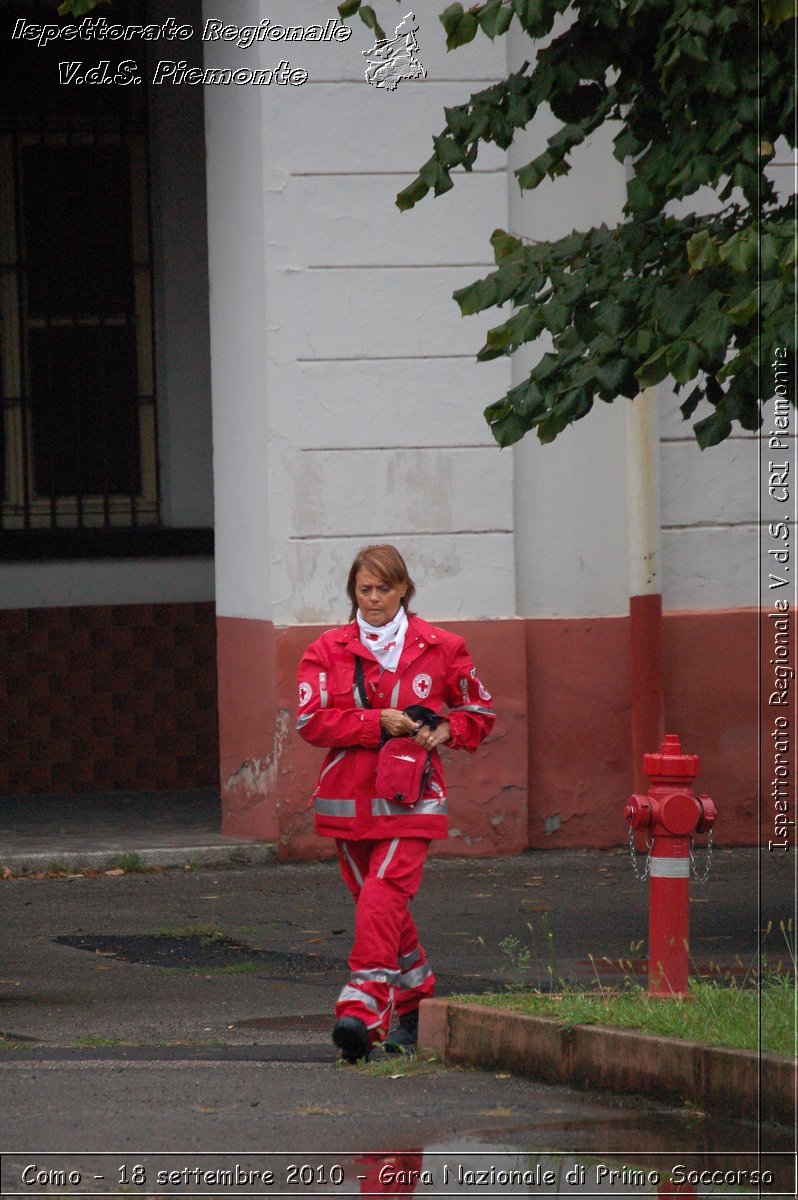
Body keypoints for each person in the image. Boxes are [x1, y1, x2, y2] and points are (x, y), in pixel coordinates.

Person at [295, 544, 495, 1062]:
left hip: (412, 799)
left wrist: (447, 728)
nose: (375, 598)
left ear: (403, 587)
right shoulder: (326, 649)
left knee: (383, 894)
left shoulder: (443, 646)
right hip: (346, 804)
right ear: (353, 592)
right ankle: (415, 1003)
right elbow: (310, 720)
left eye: (385, 588)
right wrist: (372, 721)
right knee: (380, 908)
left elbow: (479, 711)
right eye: (366, 589)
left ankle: (359, 1010)